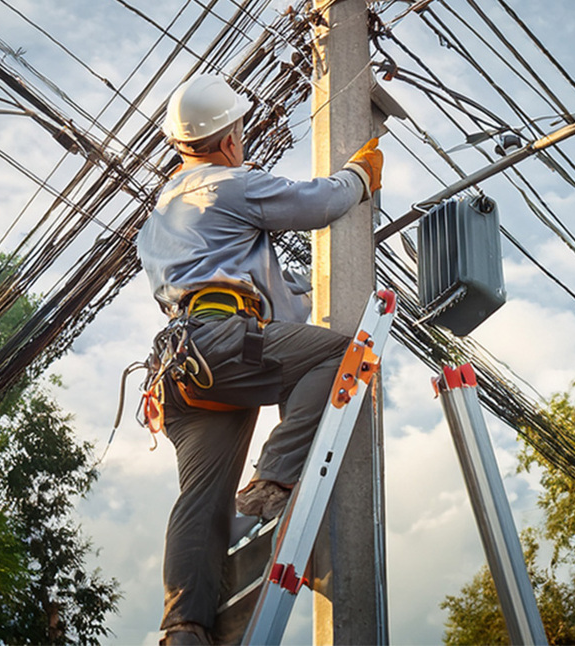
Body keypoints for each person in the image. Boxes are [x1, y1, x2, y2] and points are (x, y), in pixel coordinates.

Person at [136, 74, 383, 645]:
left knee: (201, 501)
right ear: (227, 140)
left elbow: (247, 289)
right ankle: (272, 480)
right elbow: (320, 202)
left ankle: (184, 627)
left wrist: (309, 289)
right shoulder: (227, 186)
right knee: (346, 356)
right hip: (224, 347)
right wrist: (358, 175)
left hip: (181, 369)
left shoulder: (160, 221)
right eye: (241, 130)